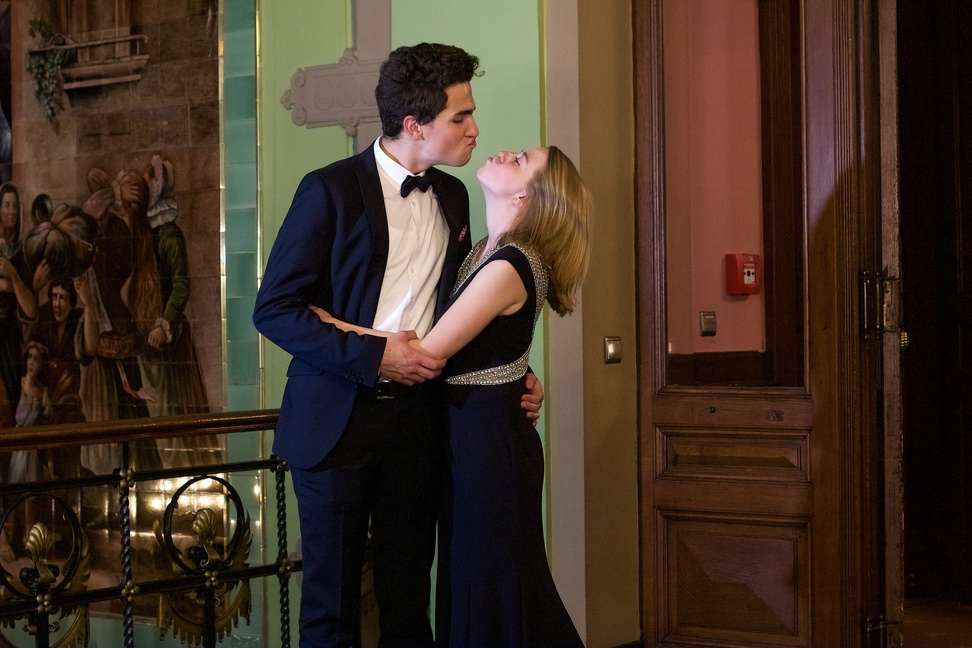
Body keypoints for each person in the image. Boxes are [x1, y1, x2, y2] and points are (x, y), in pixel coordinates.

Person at [253, 43, 543, 648]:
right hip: (335, 422)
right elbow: (274, 309)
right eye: (461, 117)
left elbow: (462, 311)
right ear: (414, 125)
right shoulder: (329, 189)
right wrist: (375, 356)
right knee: (330, 613)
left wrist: (513, 373)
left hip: (420, 425)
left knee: (409, 607)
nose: (475, 128)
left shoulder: (455, 197)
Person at [313, 145, 592, 648]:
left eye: (520, 160)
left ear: (526, 196)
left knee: (496, 589)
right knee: (473, 585)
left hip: (489, 449)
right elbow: (487, 345)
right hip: (470, 437)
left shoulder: (511, 263)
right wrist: (522, 373)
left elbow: (426, 354)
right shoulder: (485, 248)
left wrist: (330, 323)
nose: (503, 152)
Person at [0, 182, 37, 426]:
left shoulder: (22, 253)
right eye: (6, 205)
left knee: (10, 402)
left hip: (10, 336)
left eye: (14, 206)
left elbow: (30, 308)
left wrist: (12, 278)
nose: (11, 212)